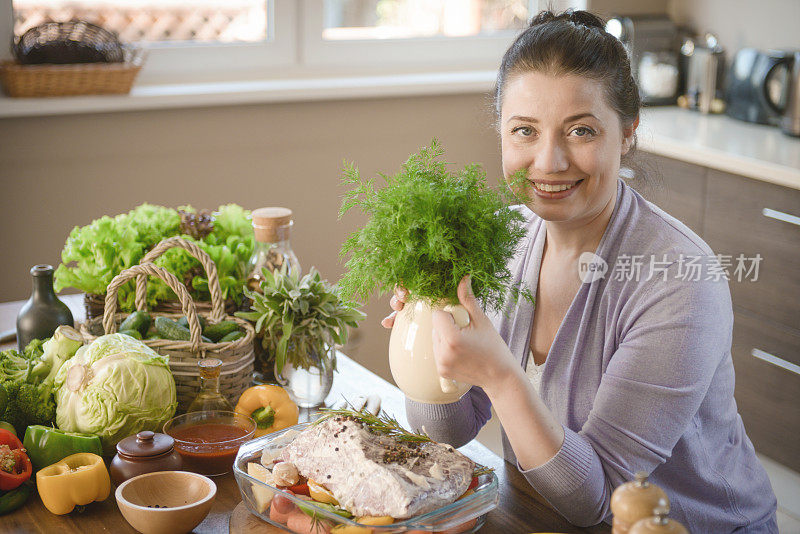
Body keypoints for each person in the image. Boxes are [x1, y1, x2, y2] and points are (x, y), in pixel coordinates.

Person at [381, 10, 778, 533]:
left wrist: (500, 375)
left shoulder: (680, 280)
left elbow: (601, 501)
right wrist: (430, 343)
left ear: (628, 133)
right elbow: (449, 428)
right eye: (524, 131)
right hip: (539, 515)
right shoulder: (504, 239)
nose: (549, 161)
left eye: (581, 131)